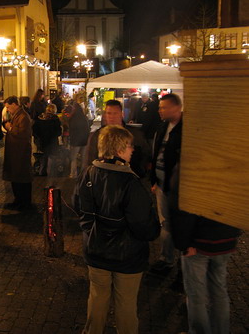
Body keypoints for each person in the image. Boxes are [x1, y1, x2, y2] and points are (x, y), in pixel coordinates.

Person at [74, 125, 160, 334]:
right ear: (120, 149)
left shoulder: (88, 174)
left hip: (96, 250)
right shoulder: (131, 183)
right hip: (127, 256)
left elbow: (80, 207)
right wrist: (153, 231)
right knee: (126, 303)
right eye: (130, 146)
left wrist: (92, 232)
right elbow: (144, 226)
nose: (133, 150)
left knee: (97, 297)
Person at [168, 164, 241, 334]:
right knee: (219, 291)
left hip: (198, 241)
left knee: (196, 296)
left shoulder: (192, 163)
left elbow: (181, 207)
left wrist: (184, 243)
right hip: (226, 238)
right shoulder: (235, 162)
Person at [149, 93, 183, 275]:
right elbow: (156, 154)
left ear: (176, 108)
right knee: (165, 224)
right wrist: (154, 180)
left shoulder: (186, 129)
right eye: (160, 107)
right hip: (162, 184)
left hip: (178, 187)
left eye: (164, 107)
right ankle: (166, 259)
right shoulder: (162, 127)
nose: (160, 110)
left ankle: (182, 263)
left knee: (180, 223)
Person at [84, 100, 150, 178]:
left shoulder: (135, 134)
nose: (112, 117)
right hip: (104, 178)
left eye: (115, 113)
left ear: (122, 114)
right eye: (109, 113)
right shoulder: (98, 135)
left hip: (131, 178)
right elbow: (90, 158)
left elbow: (145, 155)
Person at [2, 96, 33, 210]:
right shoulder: (17, 115)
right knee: (16, 178)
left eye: (9, 107)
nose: (8, 110)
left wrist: (10, 128)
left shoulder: (23, 116)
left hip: (20, 153)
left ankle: (23, 202)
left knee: (22, 178)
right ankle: (18, 200)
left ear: (15, 104)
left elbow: (22, 133)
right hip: (16, 152)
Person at [32, 104, 61, 176]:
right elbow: (58, 132)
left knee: (43, 157)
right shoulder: (55, 119)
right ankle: (51, 173)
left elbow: (34, 130)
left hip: (42, 142)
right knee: (52, 158)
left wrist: (38, 137)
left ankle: (41, 172)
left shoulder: (40, 118)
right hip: (52, 142)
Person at [68, 100, 90, 178]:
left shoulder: (73, 118)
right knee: (84, 158)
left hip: (75, 140)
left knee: (73, 158)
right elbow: (88, 129)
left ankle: (73, 174)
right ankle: (83, 173)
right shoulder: (84, 117)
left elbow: (71, 129)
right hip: (84, 140)